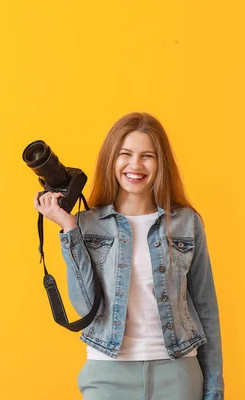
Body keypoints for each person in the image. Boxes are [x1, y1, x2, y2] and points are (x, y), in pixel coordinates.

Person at [33, 112, 224, 400]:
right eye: (125, 154)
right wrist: (69, 226)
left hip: (178, 372)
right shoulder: (86, 223)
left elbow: (206, 307)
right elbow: (85, 307)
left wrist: (214, 388)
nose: (135, 165)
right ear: (111, 159)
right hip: (108, 374)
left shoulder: (186, 222)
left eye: (147, 155)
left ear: (161, 163)